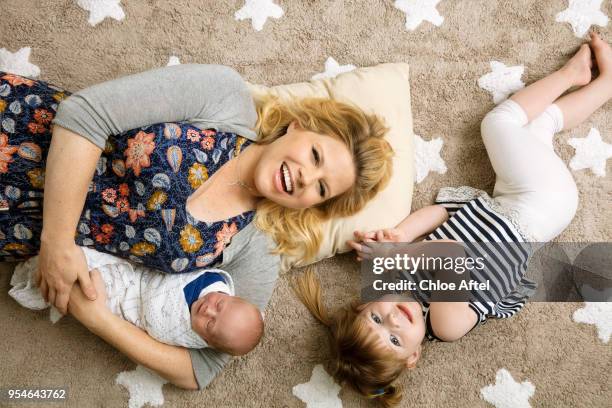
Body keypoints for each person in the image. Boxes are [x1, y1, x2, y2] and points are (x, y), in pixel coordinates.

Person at [0, 64, 393, 389]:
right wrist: (57, 243)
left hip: (10, 230)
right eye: (315, 155)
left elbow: (198, 370)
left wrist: (96, 317)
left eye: (321, 188)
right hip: (18, 127)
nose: (307, 178)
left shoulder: (254, 250)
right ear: (296, 126)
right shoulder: (224, 97)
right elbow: (83, 114)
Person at [294, 31, 611, 407]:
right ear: (413, 357)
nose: (393, 321)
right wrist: (398, 252)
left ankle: (603, 85)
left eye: (376, 321)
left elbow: (443, 214)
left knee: (538, 126)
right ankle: (573, 76)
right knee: (499, 123)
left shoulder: (399, 280)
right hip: (538, 208)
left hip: (508, 200)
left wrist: (399, 232)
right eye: (395, 340)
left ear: (364, 303)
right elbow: (450, 257)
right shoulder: (447, 325)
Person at [10, 246, 264, 355]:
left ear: (206, 340)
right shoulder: (214, 279)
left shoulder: (181, 329)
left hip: (130, 297)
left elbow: (154, 321)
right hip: (140, 268)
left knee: (87, 286)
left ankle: (45, 274)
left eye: (210, 325)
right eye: (219, 306)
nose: (207, 310)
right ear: (230, 295)